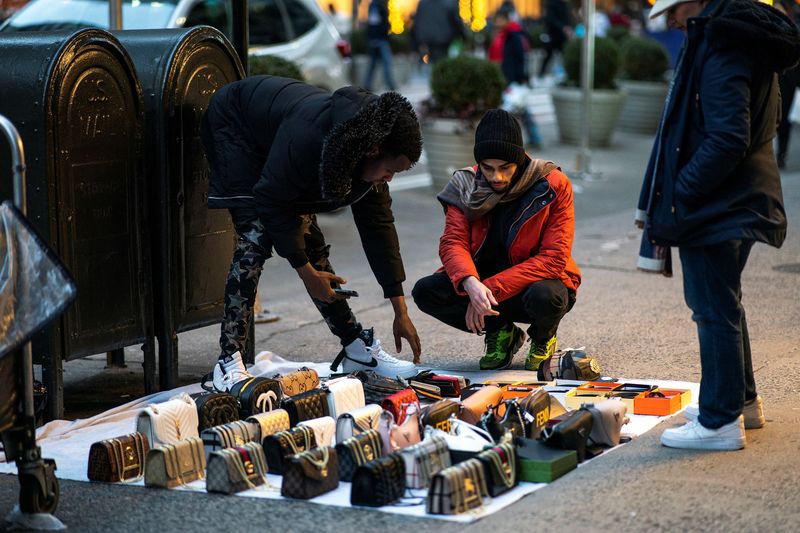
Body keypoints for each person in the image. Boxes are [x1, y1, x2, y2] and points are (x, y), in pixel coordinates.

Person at [638, 0, 799, 450]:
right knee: (722, 303)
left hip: (720, 202)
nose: (668, 20)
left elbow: (728, 136)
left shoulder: (723, 43)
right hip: (736, 196)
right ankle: (738, 402)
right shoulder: (735, 36)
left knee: (713, 308)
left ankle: (720, 421)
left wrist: (681, 191)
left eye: (672, 9)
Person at [200, 76, 423, 391]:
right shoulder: (310, 139)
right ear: (372, 151)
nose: (389, 179)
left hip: (281, 138)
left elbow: (379, 226)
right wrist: (304, 271)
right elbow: (271, 199)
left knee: (310, 243)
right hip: (237, 122)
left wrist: (400, 310)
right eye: (391, 170)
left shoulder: (363, 148)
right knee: (256, 236)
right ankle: (228, 360)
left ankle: (355, 349)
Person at [413, 109, 581, 371]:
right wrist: (470, 283)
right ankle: (502, 332)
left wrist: (487, 288)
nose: (496, 177)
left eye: (505, 168)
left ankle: (543, 338)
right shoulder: (464, 183)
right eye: (488, 168)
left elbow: (554, 259)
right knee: (426, 292)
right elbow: (452, 242)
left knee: (546, 295)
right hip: (485, 285)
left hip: (535, 285)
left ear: (519, 160)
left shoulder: (553, 183)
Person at [363, 0, 396, 91]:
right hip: (379, 39)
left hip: (376, 38)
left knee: (373, 64)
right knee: (386, 63)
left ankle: (368, 85)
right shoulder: (376, 5)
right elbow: (374, 23)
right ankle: (390, 85)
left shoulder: (376, 4)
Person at [538, 0, 573, 78]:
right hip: (553, 35)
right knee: (548, 55)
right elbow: (550, 19)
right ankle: (541, 75)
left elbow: (568, 19)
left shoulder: (565, 4)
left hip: (562, 37)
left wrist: (569, 28)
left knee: (564, 55)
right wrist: (563, 28)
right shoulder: (553, 4)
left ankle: (566, 75)